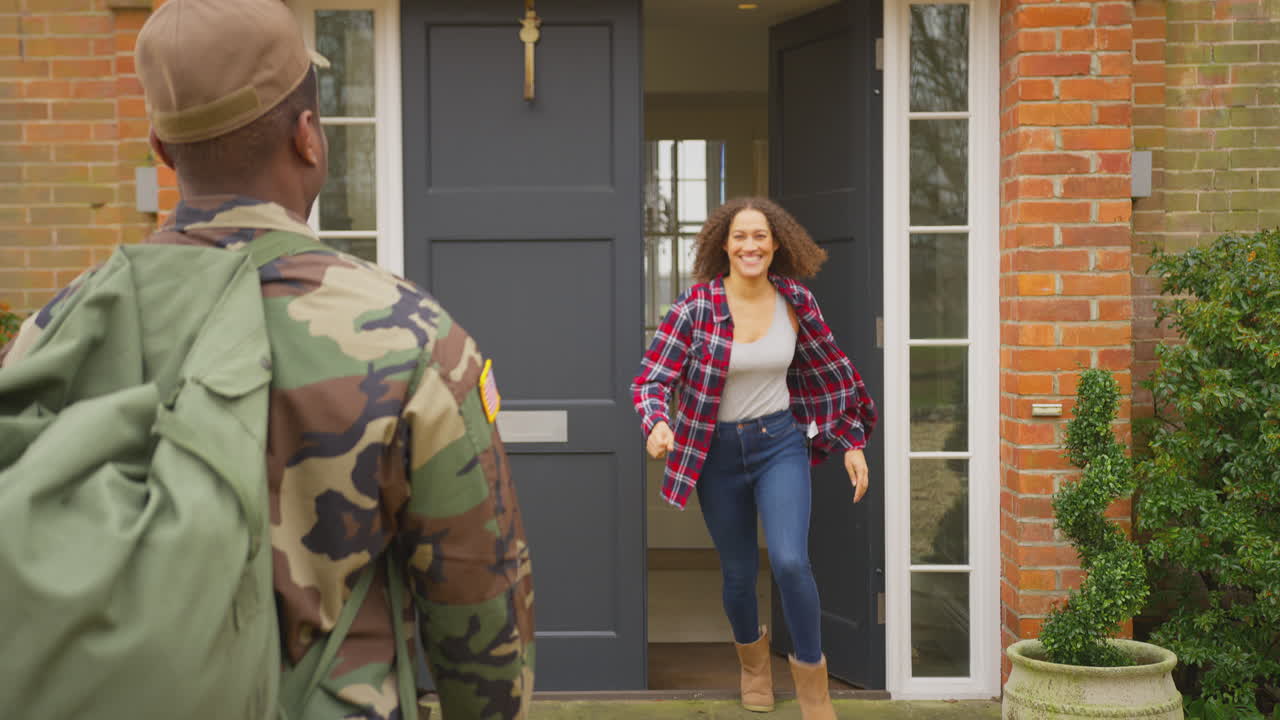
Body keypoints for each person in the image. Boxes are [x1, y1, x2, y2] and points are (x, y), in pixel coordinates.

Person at [0, 0, 533, 717]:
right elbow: (481, 622)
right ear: (310, 138)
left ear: (162, 151)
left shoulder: (55, 329)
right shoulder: (413, 339)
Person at [631, 197, 876, 720]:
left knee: (790, 561)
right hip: (715, 452)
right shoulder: (695, 307)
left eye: (760, 237)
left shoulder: (795, 301)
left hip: (779, 442)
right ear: (723, 244)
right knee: (739, 573)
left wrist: (852, 441)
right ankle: (753, 665)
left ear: (776, 244)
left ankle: (813, 683)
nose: (750, 245)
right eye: (740, 236)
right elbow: (652, 378)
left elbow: (834, 373)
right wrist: (656, 421)